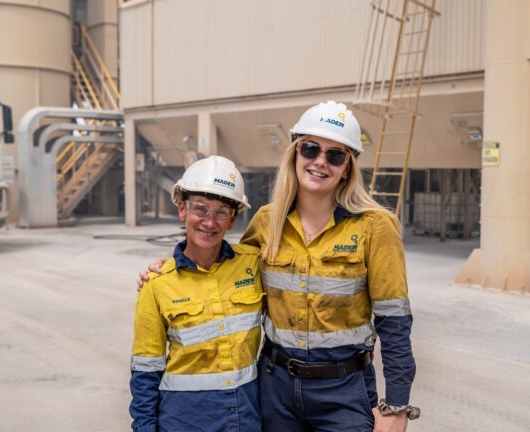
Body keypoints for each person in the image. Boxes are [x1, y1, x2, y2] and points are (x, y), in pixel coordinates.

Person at [138, 101, 418, 432]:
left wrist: (396, 405)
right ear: (295, 154)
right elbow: (227, 265)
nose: (320, 161)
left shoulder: (375, 227)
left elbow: (395, 322)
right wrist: (171, 268)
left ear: (348, 167)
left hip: (343, 390)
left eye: (335, 155)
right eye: (310, 149)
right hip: (276, 389)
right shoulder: (268, 221)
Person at [129, 155, 265, 432]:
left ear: (233, 219)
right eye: (200, 209)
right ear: (182, 210)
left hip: (245, 417)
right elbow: (145, 370)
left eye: (221, 212)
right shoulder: (157, 284)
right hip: (184, 420)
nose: (209, 222)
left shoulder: (253, 264)